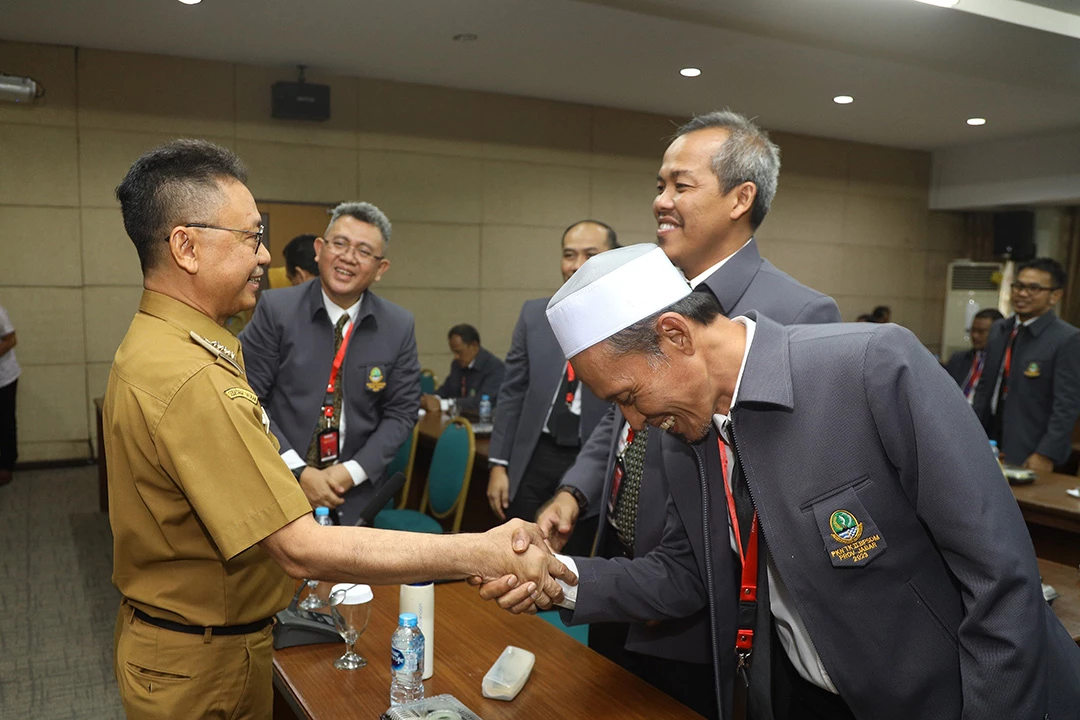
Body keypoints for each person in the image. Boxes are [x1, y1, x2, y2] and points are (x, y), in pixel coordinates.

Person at [481, 244, 1080, 720]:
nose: (632, 423)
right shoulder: (685, 431)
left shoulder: (872, 368)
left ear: (677, 335)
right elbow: (685, 575)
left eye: (629, 398)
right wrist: (554, 579)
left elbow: (1000, 579)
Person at [105, 139, 573, 720]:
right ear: (186, 246)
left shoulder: (164, 344)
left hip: (213, 634)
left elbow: (400, 412)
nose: (264, 254)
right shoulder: (190, 374)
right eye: (251, 236)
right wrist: (484, 548)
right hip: (203, 662)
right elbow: (301, 548)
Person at [533, 110, 840, 719]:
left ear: (740, 198)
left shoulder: (799, 315)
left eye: (681, 185)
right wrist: (575, 490)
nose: (661, 202)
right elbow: (622, 416)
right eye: (658, 186)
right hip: (620, 559)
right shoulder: (649, 288)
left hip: (705, 608)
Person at [240, 202, 421, 525]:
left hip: (354, 496)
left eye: (364, 251)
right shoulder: (275, 309)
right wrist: (298, 471)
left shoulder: (398, 325)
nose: (349, 257)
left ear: (380, 269)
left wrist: (349, 473)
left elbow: (402, 412)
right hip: (277, 483)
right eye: (340, 244)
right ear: (320, 250)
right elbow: (249, 398)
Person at [486, 220, 618, 548]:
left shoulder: (626, 320)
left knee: (570, 563)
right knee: (518, 552)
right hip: (534, 455)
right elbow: (512, 392)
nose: (576, 265)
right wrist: (498, 464)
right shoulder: (534, 316)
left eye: (590, 254)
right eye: (569, 255)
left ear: (613, 258)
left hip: (590, 456)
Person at [973, 257, 1080, 470]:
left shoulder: (1067, 338)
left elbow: (1067, 405)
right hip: (987, 439)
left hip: (1030, 448)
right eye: (1019, 286)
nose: (1022, 294)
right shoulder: (999, 329)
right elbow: (985, 387)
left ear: (1055, 296)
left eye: (1034, 288)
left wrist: (1045, 453)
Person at [420, 324, 505, 416]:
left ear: (474, 346)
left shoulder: (495, 368)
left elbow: (479, 403)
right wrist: (432, 398)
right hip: (458, 419)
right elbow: (446, 389)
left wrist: (443, 404)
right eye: (453, 352)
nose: (456, 357)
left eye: (459, 352)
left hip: (482, 422)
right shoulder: (457, 364)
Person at [944, 307, 1004, 403]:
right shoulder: (958, 359)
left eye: (981, 332)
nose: (975, 336)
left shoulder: (1002, 365)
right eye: (972, 330)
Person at [0, 302, 19, 488]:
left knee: (5, 422)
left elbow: (11, 339)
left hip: (5, 378)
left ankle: (6, 465)